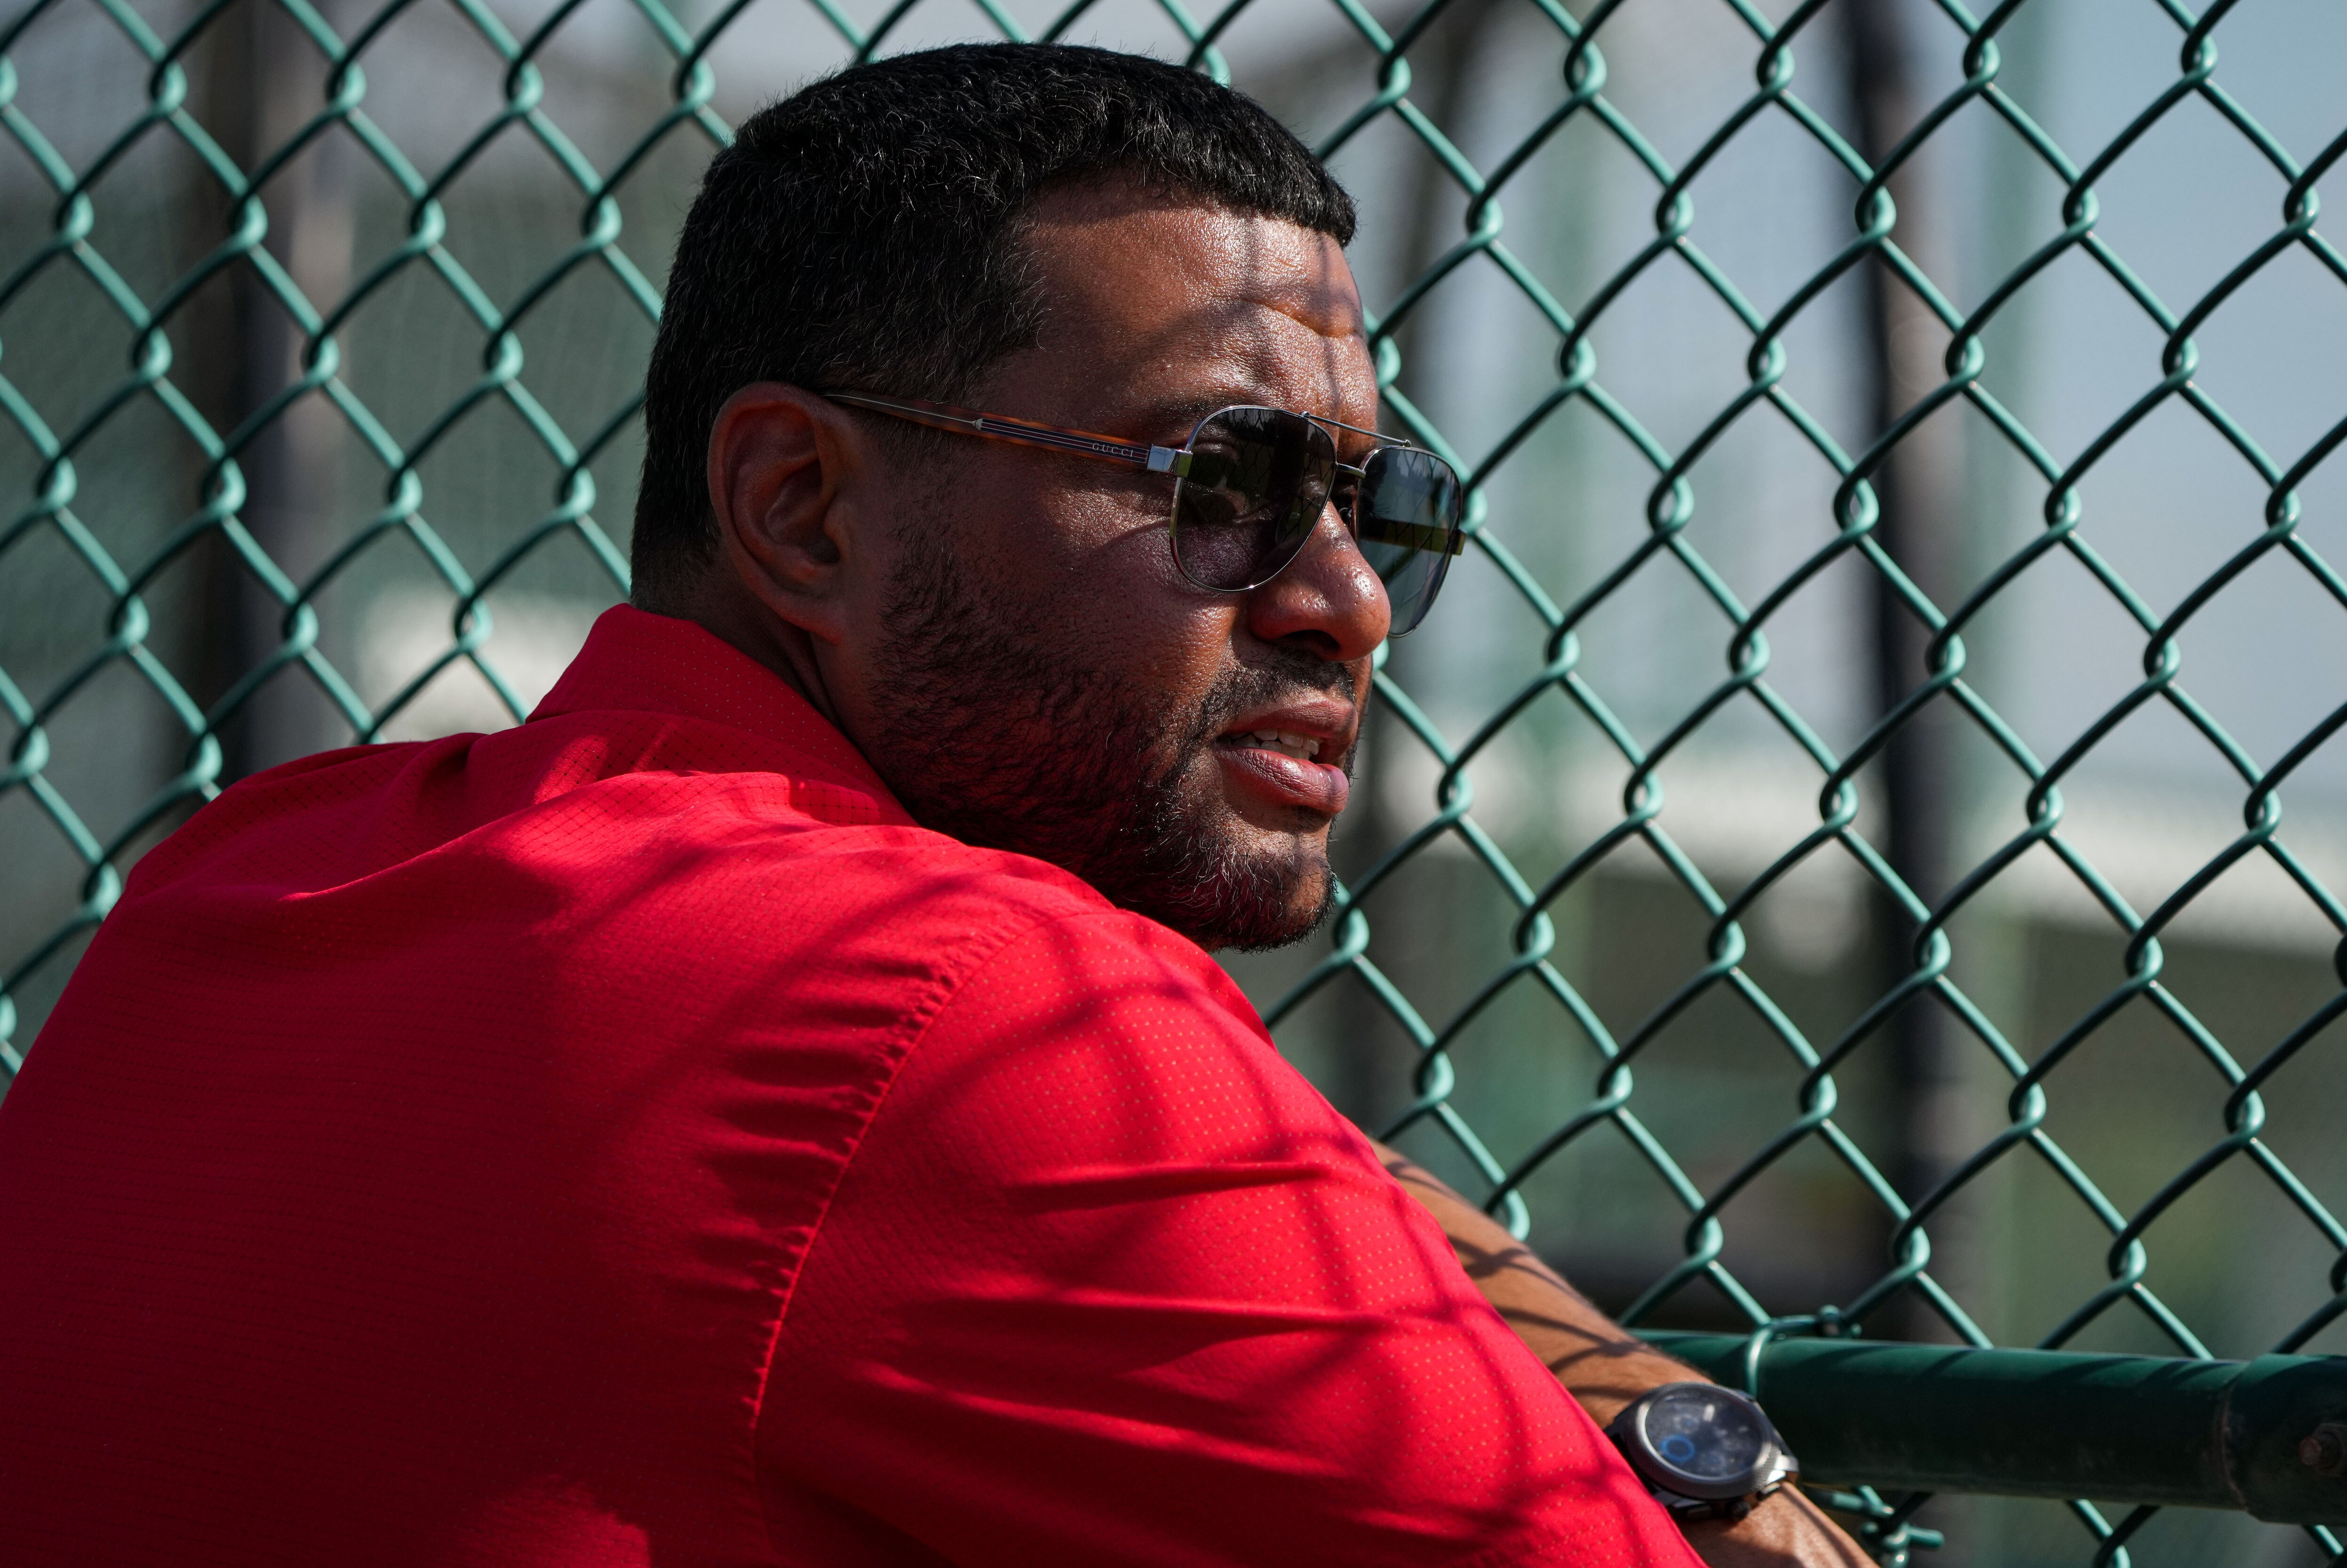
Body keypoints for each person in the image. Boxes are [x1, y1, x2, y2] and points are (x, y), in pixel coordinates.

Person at [0, 44, 1870, 1568]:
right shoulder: (971, 1007)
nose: (1343, 599)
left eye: (1381, 508)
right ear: (801, 508)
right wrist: (1688, 1448)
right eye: (1224, 477)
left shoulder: (254, 873)